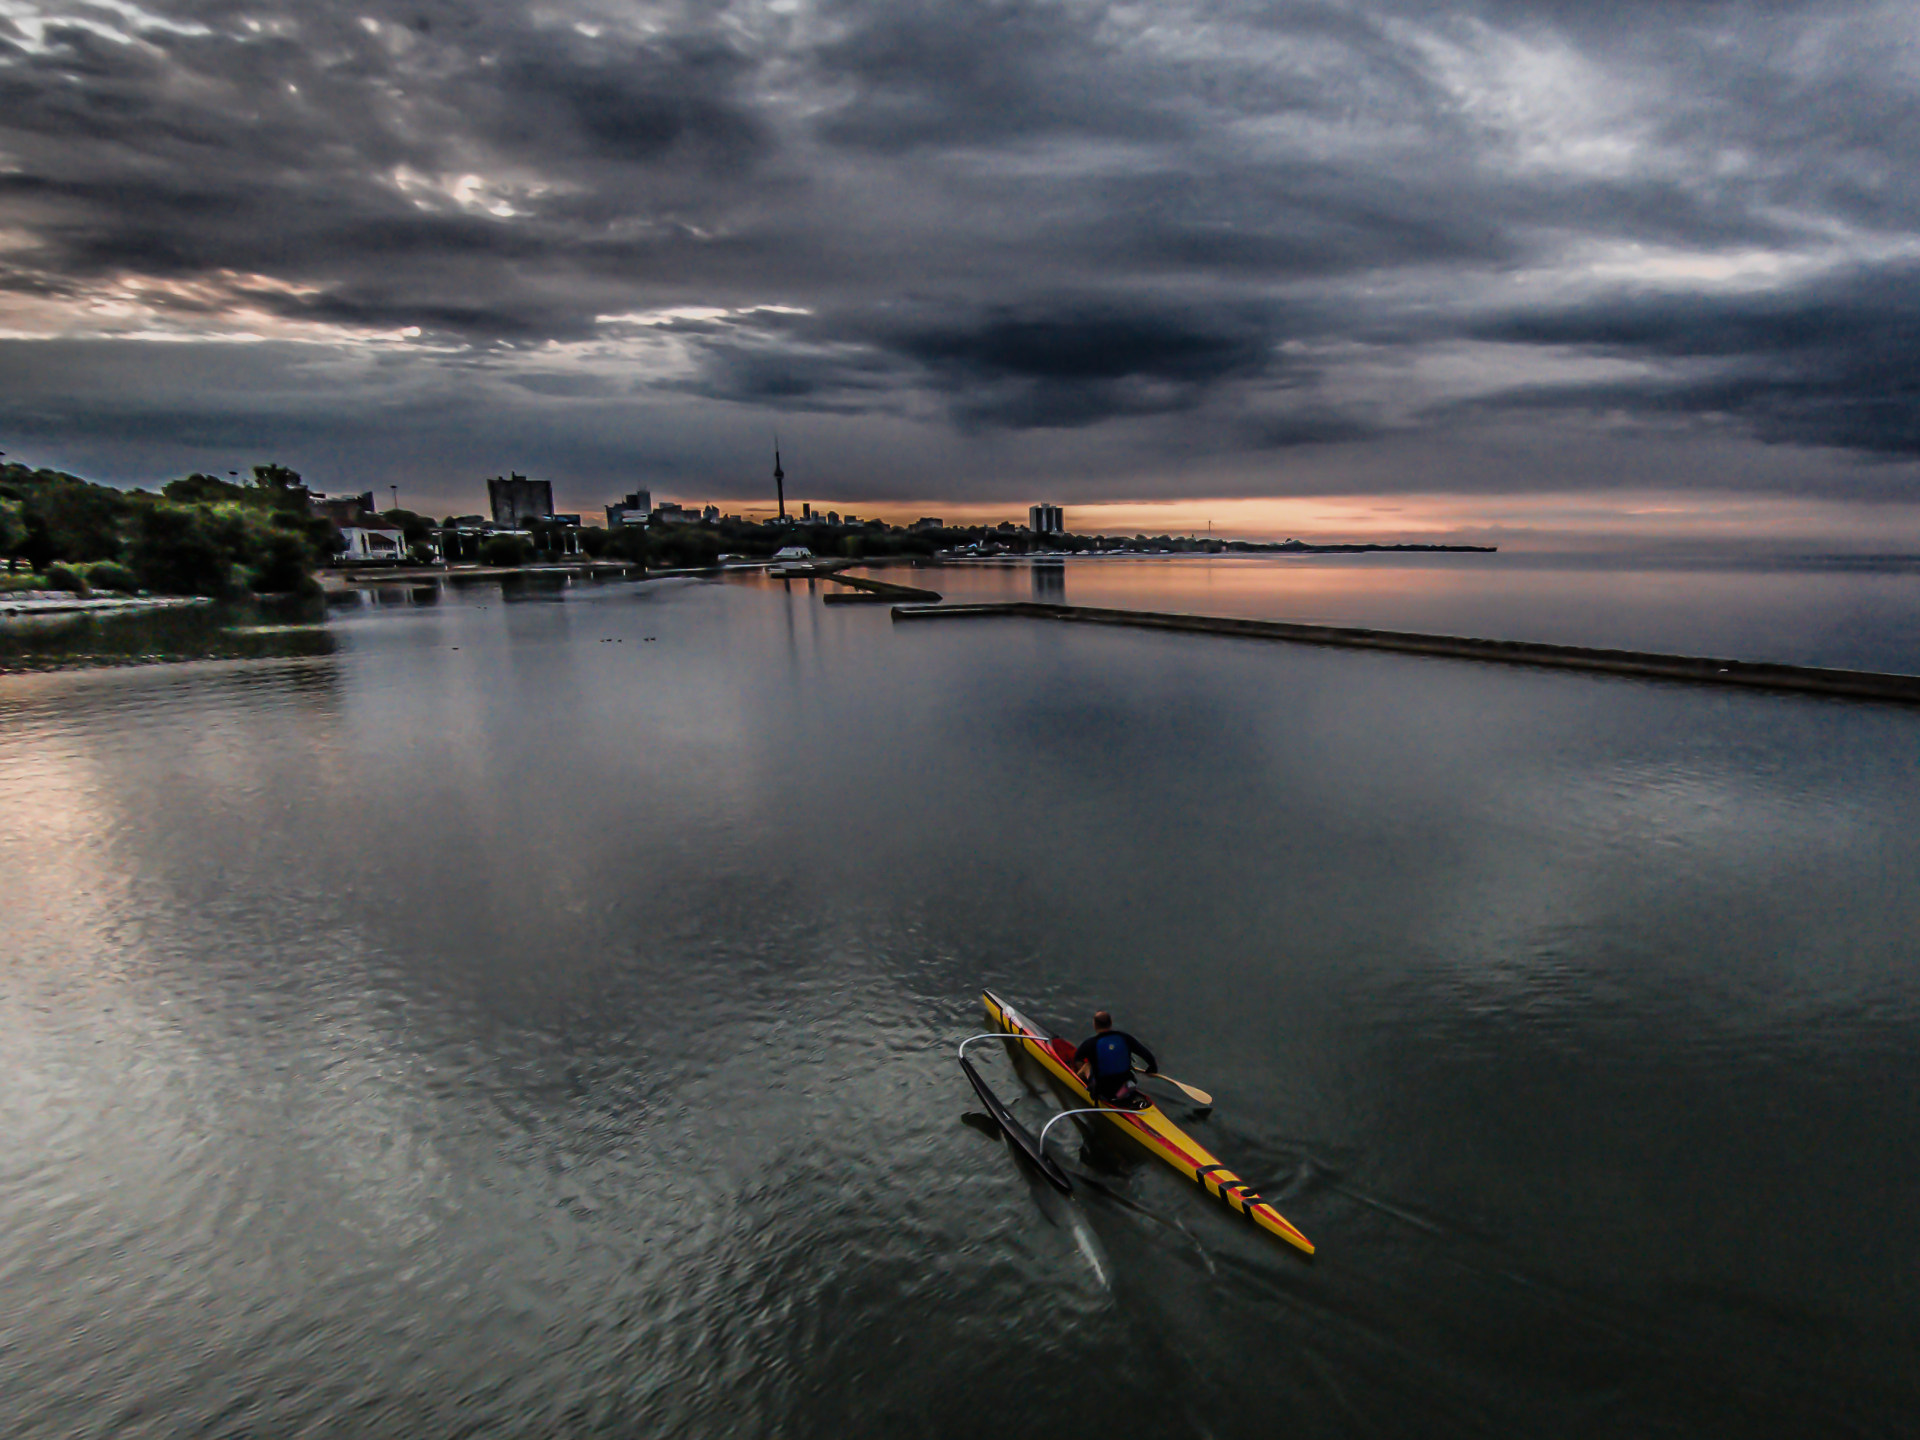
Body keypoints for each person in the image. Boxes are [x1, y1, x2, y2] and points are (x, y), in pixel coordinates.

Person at [1074, 1010, 1158, 1108]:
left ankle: (1078, 1081)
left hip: (1104, 1091)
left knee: (1086, 1065)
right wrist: (1152, 1069)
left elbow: (1077, 1059)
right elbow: (1147, 1054)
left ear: (1095, 1025)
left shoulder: (1090, 1043)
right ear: (1111, 1023)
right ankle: (1124, 1091)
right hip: (1125, 1083)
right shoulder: (1124, 1038)